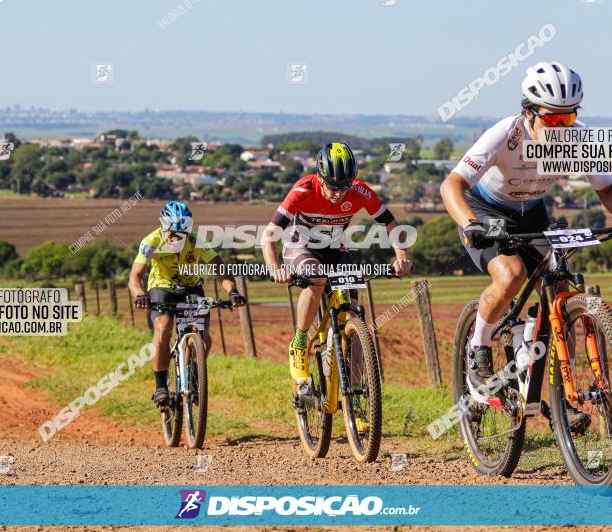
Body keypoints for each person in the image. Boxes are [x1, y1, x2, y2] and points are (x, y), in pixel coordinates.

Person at [440, 61, 612, 411]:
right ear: (529, 111)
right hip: (486, 212)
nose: (561, 127)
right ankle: (478, 349)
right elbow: (452, 184)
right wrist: (470, 223)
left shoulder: (579, 138)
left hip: (532, 211)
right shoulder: (506, 133)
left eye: (567, 118)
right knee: (510, 275)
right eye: (553, 119)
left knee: (559, 283)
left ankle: (548, 381)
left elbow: (607, 189)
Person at [262, 141, 413, 389]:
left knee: (353, 313)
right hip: (300, 246)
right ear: (320, 176)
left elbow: (392, 225)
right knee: (317, 278)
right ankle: (299, 343)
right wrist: (274, 267)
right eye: (332, 185)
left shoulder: (360, 191)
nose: (338, 192)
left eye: (344, 186)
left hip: (335, 248)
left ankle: (354, 396)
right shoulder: (303, 189)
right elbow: (269, 234)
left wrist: (402, 256)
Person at [128, 201, 246, 409]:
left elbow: (220, 269)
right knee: (163, 327)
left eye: (181, 234)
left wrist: (233, 291)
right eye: (172, 233)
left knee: (202, 335)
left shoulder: (196, 240)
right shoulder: (151, 241)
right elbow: (135, 276)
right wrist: (139, 295)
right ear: (163, 228)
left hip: (191, 288)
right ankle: (160, 387)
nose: (176, 238)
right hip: (162, 288)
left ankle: (194, 374)